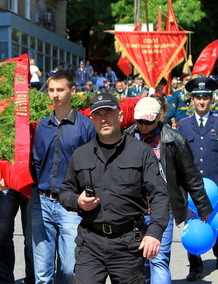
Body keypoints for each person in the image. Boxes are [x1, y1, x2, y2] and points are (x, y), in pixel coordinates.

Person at [59, 92, 170, 284]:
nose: (103, 119)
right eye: (98, 115)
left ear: (119, 116)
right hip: (90, 242)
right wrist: (78, 201)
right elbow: (65, 191)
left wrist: (154, 232)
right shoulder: (81, 155)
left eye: (108, 113)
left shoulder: (141, 152)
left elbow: (159, 194)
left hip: (127, 244)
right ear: (92, 119)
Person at [126, 97, 213, 284]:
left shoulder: (174, 140)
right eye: (139, 121)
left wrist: (203, 208)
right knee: (137, 262)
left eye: (147, 121)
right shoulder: (126, 137)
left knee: (158, 259)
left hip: (161, 209)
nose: (142, 126)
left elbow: (191, 176)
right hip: (132, 209)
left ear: (159, 117)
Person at [31, 70, 95, 283]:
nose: (54, 95)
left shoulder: (85, 126)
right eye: (50, 90)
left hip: (71, 205)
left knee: (69, 269)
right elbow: (37, 161)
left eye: (60, 89)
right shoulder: (42, 126)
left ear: (73, 90)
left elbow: (92, 165)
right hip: (42, 202)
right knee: (42, 273)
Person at [177, 77, 218, 281]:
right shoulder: (183, 125)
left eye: (205, 97)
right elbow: (177, 155)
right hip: (192, 186)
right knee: (192, 225)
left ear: (211, 99)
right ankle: (195, 266)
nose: (202, 101)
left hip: (216, 184)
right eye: (198, 98)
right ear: (192, 100)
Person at [0, 178, 34, 284]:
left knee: (32, 239)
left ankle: (33, 279)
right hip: (5, 182)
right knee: (1, 233)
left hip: (30, 183)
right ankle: (3, 280)